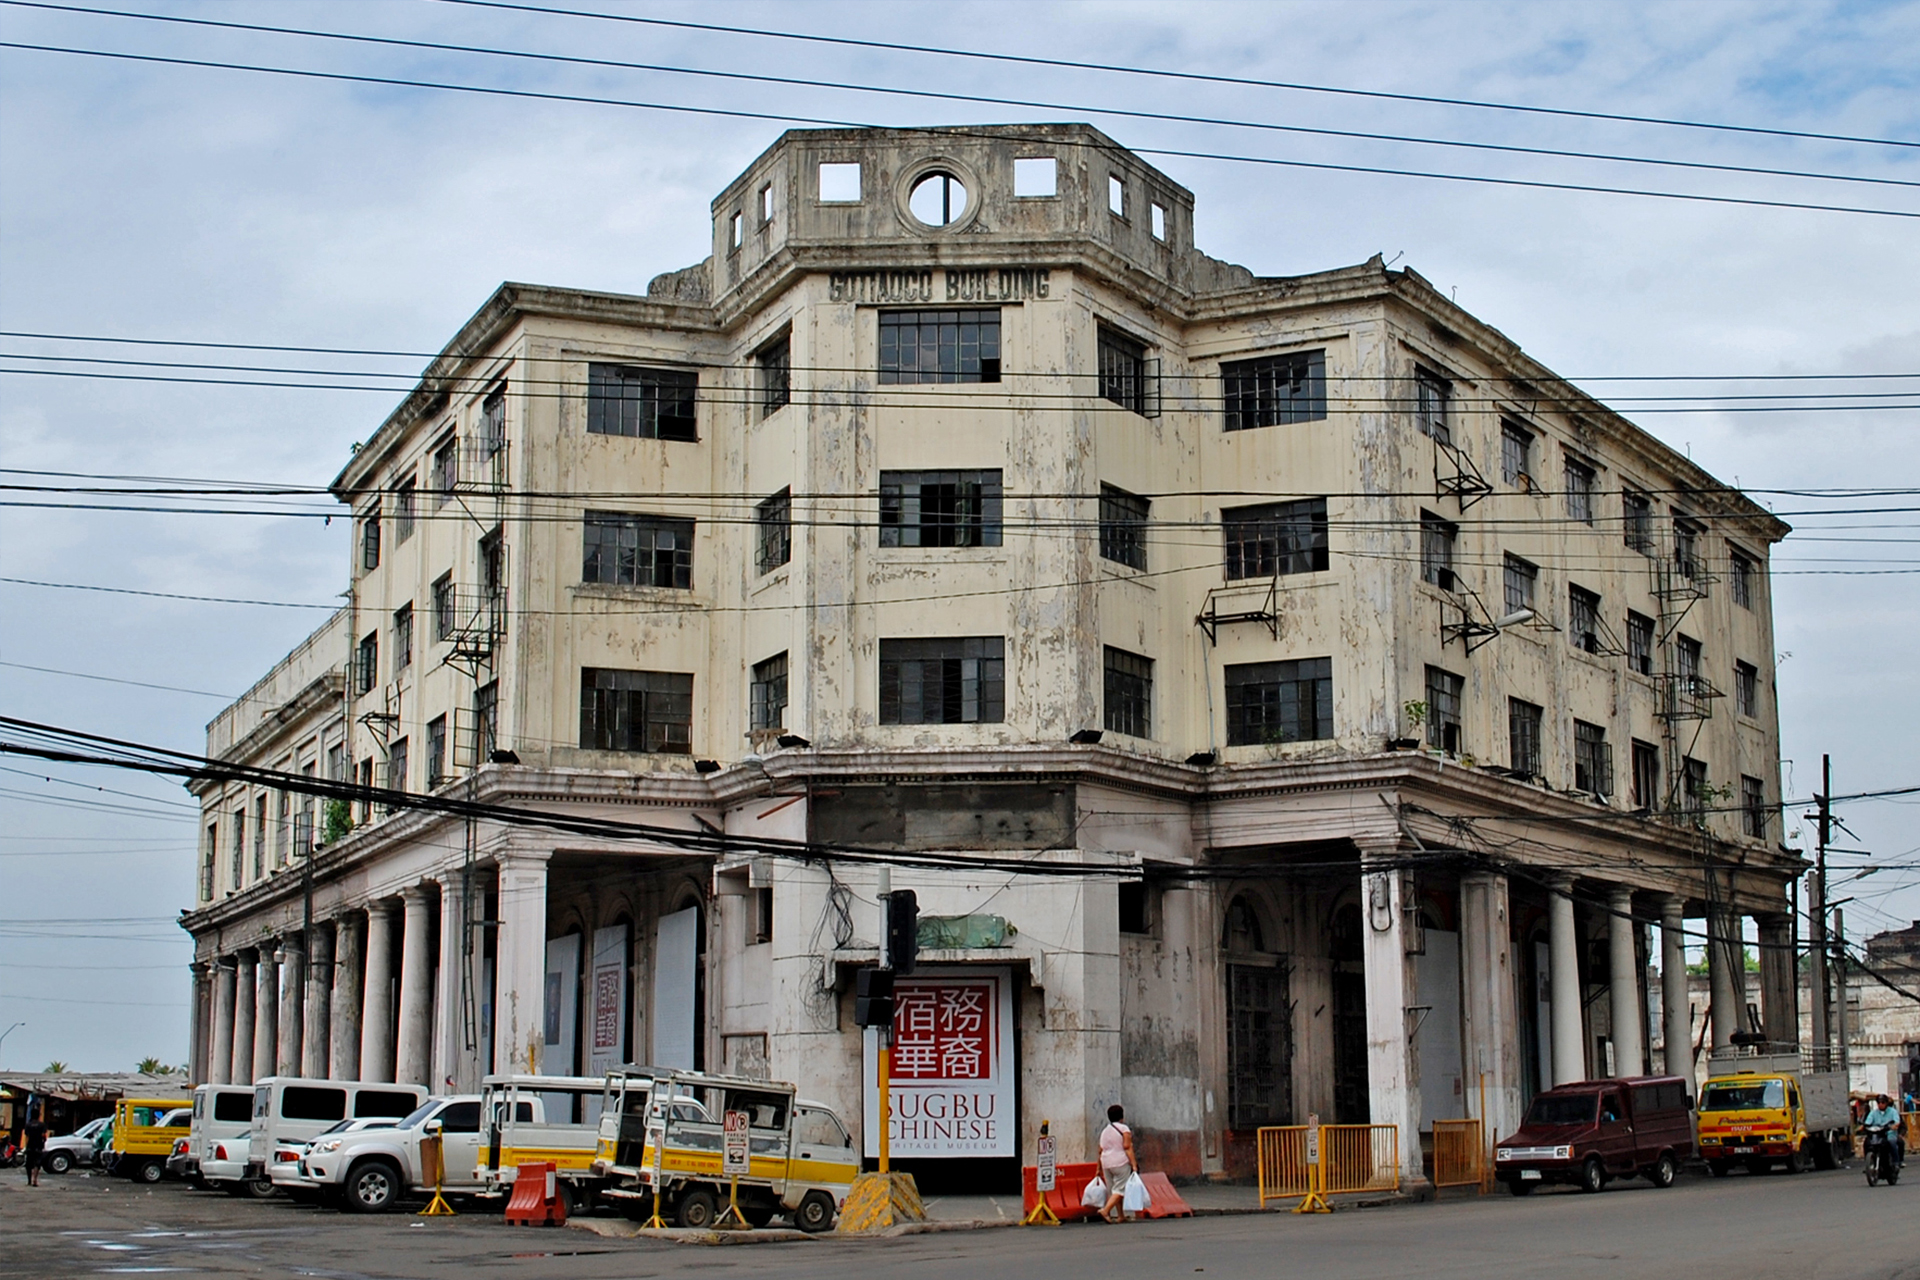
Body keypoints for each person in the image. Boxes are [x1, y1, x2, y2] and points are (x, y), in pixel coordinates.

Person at [1096, 1103, 1138, 1224]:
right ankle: (1105, 1210)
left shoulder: (1104, 1131)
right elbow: (1127, 1146)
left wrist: (1098, 1168)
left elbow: (1100, 1150)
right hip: (1120, 1162)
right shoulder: (1124, 1129)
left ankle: (1120, 1216)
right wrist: (1134, 1165)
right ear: (1122, 1116)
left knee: (1113, 1190)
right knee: (1120, 1190)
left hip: (1106, 1163)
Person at [1863, 1093, 1903, 1168]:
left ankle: (1896, 1162)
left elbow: (1897, 1122)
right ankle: (1869, 1164)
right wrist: (1864, 1126)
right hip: (1877, 1134)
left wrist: (1894, 1126)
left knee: (1892, 1142)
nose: (1880, 1104)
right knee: (1867, 1142)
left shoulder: (1893, 1111)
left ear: (1886, 1103)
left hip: (1889, 1133)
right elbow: (1867, 1122)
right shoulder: (1873, 1113)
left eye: (1882, 1102)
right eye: (1879, 1102)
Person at [23, 1114, 47, 1187]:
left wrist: (26, 1146)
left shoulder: (28, 1125)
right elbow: (43, 1135)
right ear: (38, 1116)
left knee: (29, 1164)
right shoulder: (42, 1125)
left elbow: (27, 1136)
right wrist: (44, 1141)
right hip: (38, 1146)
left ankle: (29, 1181)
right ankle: (35, 1180)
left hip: (30, 1146)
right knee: (37, 1163)